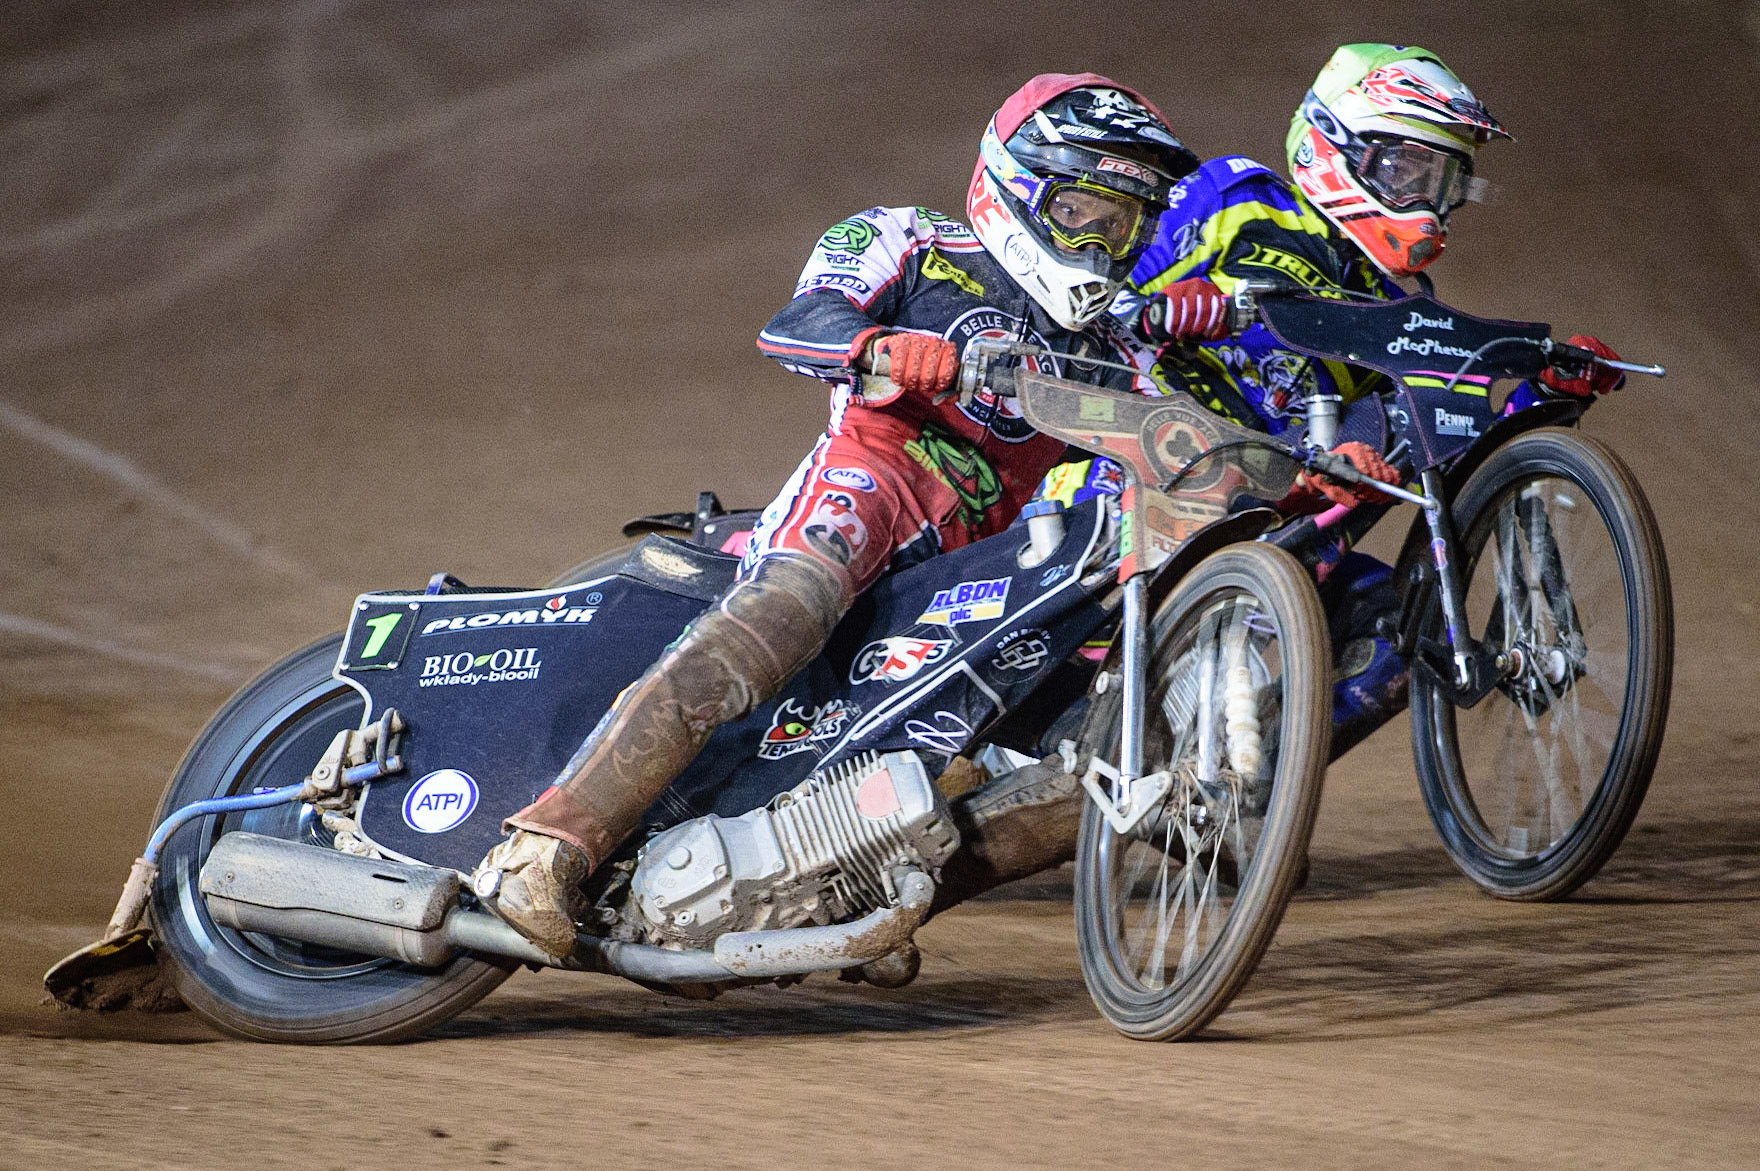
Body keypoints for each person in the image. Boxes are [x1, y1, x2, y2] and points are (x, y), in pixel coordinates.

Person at [475, 73, 1201, 958]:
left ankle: (856, 898)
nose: (1106, 240)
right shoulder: (907, 237)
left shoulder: (1113, 344)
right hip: (871, 477)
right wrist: (880, 347)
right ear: (1020, 185)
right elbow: (795, 322)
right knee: (792, 603)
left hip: (976, 559)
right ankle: (543, 848)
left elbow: (1177, 443)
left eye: (1127, 223)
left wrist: (1311, 471)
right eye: (1087, 209)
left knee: (1091, 762)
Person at [1118, 43, 1627, 757]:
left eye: (1442, 179)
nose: (1426, 199)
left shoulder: (1400, 302)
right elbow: (1098, 302)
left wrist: (1539, 395)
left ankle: (1251, 797)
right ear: (1335, 147)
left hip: (1287, 516)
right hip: (1157, 464)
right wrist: (1162, 308)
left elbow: (1436, 434)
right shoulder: (1236, 197)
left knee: (1404, 627)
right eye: (1407, 169)